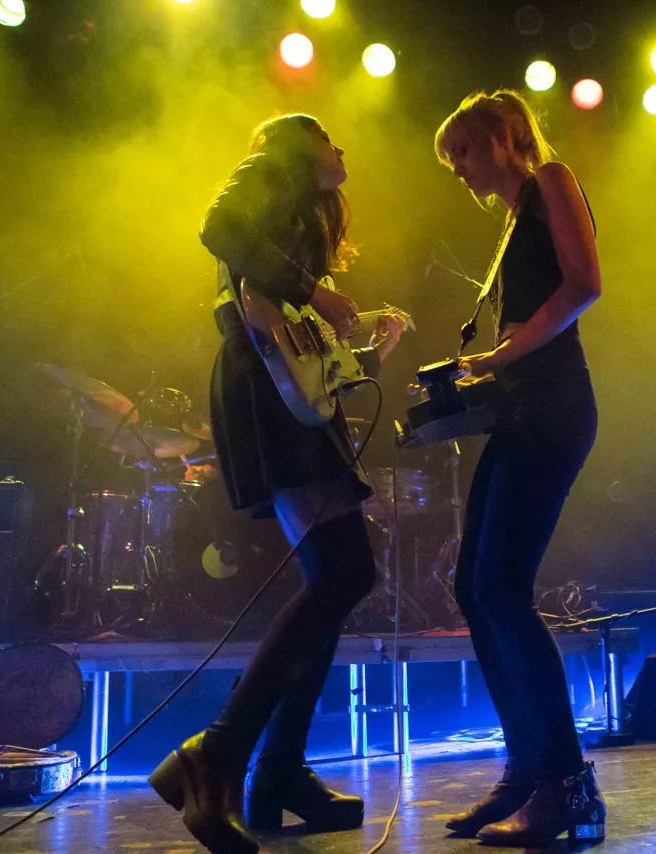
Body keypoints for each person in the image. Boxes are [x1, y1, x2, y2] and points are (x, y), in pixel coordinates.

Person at [149, 114, 407, 854]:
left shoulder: (300, 223)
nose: (342, 149)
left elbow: (314, 369)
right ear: (301, 148)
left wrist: (370, 352)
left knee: (338, 574)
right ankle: (221, 755)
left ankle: (275, 773)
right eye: (329, 137)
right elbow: (216, 226)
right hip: (259, 392)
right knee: (343, 572)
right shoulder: (267, 172)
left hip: (278, 390)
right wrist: (315, 292)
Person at [433, 90, 606, 846]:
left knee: (501, 587)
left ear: (505, 135)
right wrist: (478, 375)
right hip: (521, 411)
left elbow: (584, 284)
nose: (460, 171)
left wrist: (500, 354)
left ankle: (568, 786)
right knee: (475, 587)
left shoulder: (553, 179)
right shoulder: (511, 222)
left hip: (555, 409)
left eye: (464, 151)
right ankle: (528, 769)